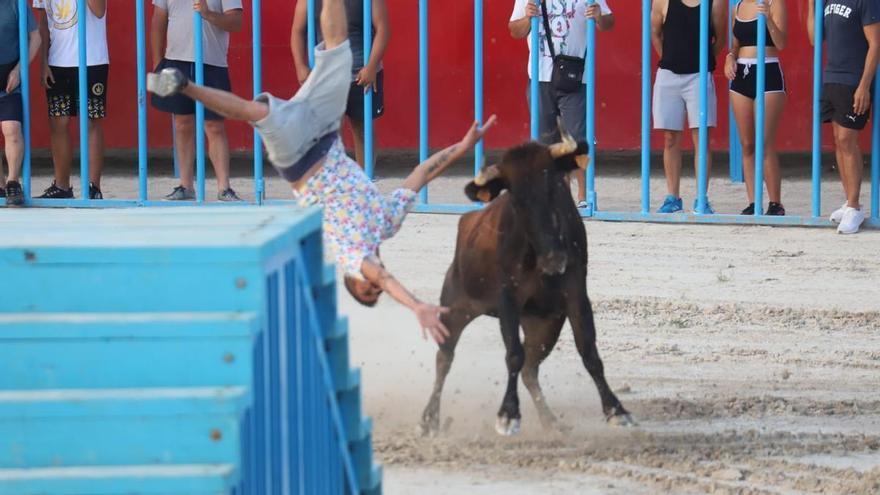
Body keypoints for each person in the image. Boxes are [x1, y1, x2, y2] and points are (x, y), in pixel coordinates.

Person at [147, 0, 497, 343]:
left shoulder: (350, 253)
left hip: (298, 156)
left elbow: (383, 278)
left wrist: (416, 305)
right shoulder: (387, 221)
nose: (374, 284)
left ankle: (183, 86)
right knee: (339, 53)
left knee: (256, 113)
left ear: (352, 278)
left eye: (366, 289)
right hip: (326, 133)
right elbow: (421, 174)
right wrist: (462, 147)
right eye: (376, 291)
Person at [509, 0, 614, 209]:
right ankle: (555, 195)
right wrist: (528, 18)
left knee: (577, 139)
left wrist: (599, 17)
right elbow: (514, 30)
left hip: (575, 76)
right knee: (546, 141)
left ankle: (584, 196)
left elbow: (608, 22)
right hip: (540, 76)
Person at [151, 0, 243, 201]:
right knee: (182, 123)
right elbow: (158, 20)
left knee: (214, 125)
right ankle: (186, 185)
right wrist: (158, 63)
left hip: (212, 63)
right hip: (175, 60)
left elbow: (237, 22)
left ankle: (224, 187)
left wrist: (208, 14)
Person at [291, 0, 389, 170]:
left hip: (361, 72)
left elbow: (383, 30)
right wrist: (300, 66)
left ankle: (365, 177)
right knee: (328, 130)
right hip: (327, 73)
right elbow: (298, 31)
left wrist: (372, 66)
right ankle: (334, 176)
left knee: (362, 128)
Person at [808, 0, 879, 234]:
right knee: (839, 141)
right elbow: (814, 39)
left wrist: (864, 86)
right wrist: (811, 6)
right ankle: (850, 202)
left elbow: (875, 44)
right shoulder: (827, 2)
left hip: (854, 80)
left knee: (847, 140)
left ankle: (855, 206)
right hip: (831, 78)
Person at [651, 0, 726, 214]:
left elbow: (720, 40)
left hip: (699, 76)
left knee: (701, 138)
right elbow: (655, 33)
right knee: (670, 138)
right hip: (668, 75)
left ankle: (701, 199)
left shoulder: (715, 3)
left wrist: (699, 61)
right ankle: (673, 198)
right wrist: (670, 58)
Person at [34, 0, 108, 200]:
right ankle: (62, 186)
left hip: (92, 59)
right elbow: (43, 24)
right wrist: (44, 62)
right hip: (57, 61)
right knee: (58, 122)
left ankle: (93, 187)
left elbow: (99, 11)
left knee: (91, 121)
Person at [726, 0, 787, 216]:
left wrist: (768, 19)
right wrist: (729, 57)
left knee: (765, 143)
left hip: (768, 70)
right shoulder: (737, 6)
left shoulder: (774, 3)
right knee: (747, 144)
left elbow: (781, 43)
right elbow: (735, 44)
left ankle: (775, 203)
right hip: (741, 75)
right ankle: (753, 202)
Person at [0, 1, 40, 206]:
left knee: (12, 128)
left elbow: (36, 37)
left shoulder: (16, 4)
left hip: (9, 80)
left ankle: (13, 182)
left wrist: (19, 69)